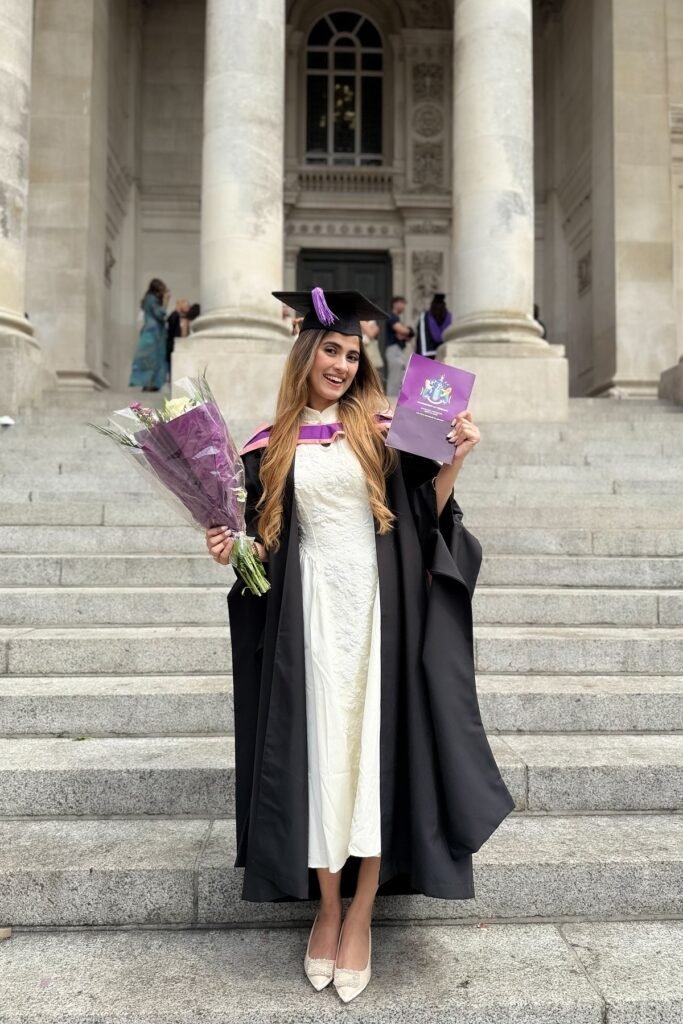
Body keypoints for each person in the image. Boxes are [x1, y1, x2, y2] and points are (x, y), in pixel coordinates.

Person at [205, 287, 513, 1003]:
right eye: (330, 349)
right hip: (306, 615)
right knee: (320, 753)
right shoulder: (269, 441)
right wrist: (229, 545)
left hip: (379, 610)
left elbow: (424, 518)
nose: (341, 363)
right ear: (305, 354)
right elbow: (261, 540)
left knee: (373, 753)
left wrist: (455, 461)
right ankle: (327, 904)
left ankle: (362, 911)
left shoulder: (386, 428)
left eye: (352, 353)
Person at [130, 278, 170, 391]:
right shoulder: (152, 299)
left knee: (151, 359)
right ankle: (150, 384)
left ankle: (151, 384)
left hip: (153, 332)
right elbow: (160, 313)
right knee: (152, 359)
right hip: (153, 333)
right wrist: (165, 301)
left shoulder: (149, 299)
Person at [384, 295, 414, 397]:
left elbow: (405, 336)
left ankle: (396, 401)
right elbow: (402, 331)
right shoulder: (391, 316)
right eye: (403, 303)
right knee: (394, 379)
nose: (404, 306)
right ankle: (391, 402)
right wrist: (409, 331)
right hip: (394, 350)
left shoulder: (397, 318)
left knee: (401, 378)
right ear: (395, 303)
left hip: (399, 350)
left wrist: (407, 333)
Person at [416, 293, 452, 358]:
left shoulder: (425, 316)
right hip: (443, 352)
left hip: (427, 352)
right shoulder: (448, 317)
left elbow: (421, 336)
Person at [166, 299, 191, 380]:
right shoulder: (174, 316)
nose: (189, 307)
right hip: (173, 345)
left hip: (182, 345)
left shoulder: (185, 318)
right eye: (186, 305)